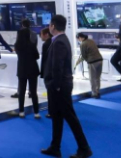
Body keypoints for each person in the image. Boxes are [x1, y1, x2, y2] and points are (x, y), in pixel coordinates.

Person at [41, 15, 92, 158]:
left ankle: (84, 148)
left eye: (50, 24)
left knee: (70, 117)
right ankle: (55, 147)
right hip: (59, 85)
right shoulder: (60, 40)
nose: (49, 27)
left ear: (53, 26)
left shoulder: (59, 42)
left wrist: (56, 85)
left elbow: (57, 66)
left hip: (60, 86)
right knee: (57, 116)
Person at [14, 23, 40, 118]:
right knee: (33, 92)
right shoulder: (31, 45)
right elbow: (37, 56)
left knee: (21, 91)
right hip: (32, 69)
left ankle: (21, 111)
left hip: (22, 70)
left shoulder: (17, 46)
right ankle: (36, 112)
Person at [74, 33, 103, 99]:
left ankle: (94, 93)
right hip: (100, 60)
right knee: (97, 78)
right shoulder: (91, 41)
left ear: (80, 37)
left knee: (92, 78)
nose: (78, 40)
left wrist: (76, 63)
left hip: (92, 62)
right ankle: (98, 92)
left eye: (78, 39)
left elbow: (83, 56)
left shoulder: (83, 44)